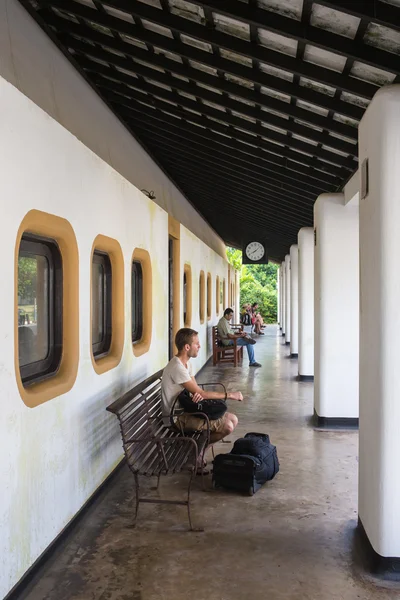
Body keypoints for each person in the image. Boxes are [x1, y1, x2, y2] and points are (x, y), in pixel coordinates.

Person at [161, 328, 243, 451]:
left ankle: (198, 453)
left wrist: (196, 395)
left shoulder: (187, 363)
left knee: (233, 419)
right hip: (176, 417)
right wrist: (230, 395)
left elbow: (197, 390)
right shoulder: (177, 367)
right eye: (196, 343)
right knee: (228, 427)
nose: (199, 346)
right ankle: (195, 455)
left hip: (186, 407)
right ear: (187, 347)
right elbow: (201, 392)